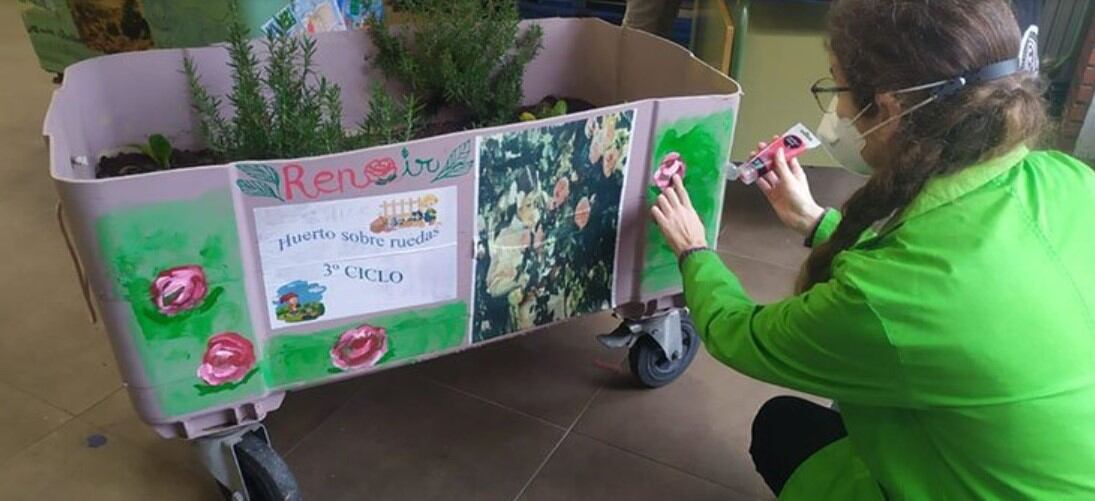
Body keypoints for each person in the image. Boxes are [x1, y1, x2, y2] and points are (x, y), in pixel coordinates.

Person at [650, 0, 1095, 499]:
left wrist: (694, 252)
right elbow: (939, 268)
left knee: (781, 427)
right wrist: (817, 221)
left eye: (836, 86)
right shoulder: (1071, 180)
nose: (838, 110)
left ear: (888, 107)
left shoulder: (892, 297)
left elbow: (742, 336)